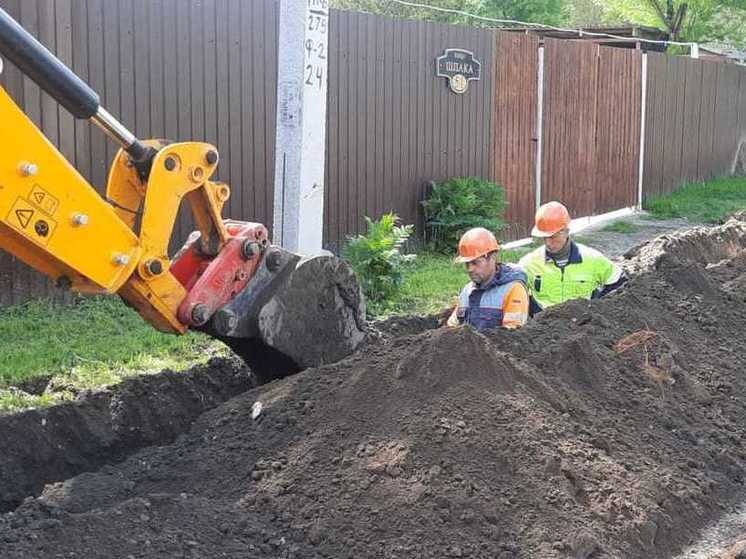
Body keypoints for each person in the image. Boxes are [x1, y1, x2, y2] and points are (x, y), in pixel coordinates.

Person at [518, 201, 626, 314]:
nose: (548, 243)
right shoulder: (528, 263)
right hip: (544, 326)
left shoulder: (593, 259)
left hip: (584, 326)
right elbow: (515, 290)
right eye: (545, 237)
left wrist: (598, 307)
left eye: (553, 237)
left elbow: (620, 282)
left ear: (566, 231)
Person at [447, 227, 529, 331]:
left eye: (475, 262)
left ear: (493, 257)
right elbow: (451, 330)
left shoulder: (513, 290)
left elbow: (512, 338)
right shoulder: (467, 291)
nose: (470, 269)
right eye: (467, 264)